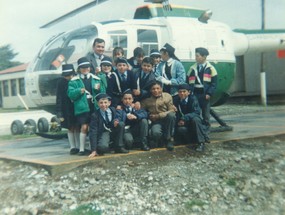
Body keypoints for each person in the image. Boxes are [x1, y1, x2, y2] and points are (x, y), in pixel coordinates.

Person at [68, 57, 106, 155]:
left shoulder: (96, 78)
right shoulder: (74, 81)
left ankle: (92, 147)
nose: (85, 69)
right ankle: (81, 149)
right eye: (83, 67)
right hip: (82, 107)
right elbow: (70, 94)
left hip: (94, 106)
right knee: (84, 127)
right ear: (79, 69)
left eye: (87, 67)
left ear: (90, 68)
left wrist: (98, 89)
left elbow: (103, 92)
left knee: (93, 127)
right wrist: (78, 91)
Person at [187, 47, 217, 139]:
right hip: (195, 93)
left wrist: (209, 94)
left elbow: (214, 83)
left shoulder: (211, 69)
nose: (196, 58)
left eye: (197, 56)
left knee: (206, 115)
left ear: (204, 57)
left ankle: (206, 134)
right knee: (195, 113)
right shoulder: (192, 68)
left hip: (205, 94)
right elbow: (187, 80)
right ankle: (196, 133)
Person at [141, 81, 176, 151]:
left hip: (167, 119)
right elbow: (142, 111)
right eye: (153, 89)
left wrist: (159, 115)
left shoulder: (167, 96)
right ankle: (160, 140)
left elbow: (172, 110)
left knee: (171, 115)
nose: (156, 90)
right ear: (150, 90)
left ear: (161, 89)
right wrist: (149, 115)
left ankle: (169, 140)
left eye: (158, 88)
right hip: (156, 122)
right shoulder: (146, 100)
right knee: (155, 133)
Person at [173, 84, 208, 152]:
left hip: (191, 122)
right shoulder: (175, 100)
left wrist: (184, 118)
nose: (182, 93)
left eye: (184, 91)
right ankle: (180, 140)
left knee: (196, 119)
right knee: (181, 129)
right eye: (180, 92)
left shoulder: (193, 99)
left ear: (188, 92)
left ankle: (201, 142)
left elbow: (197, 112)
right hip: (182, 123)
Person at [55, 64, 80, 155]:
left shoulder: (77, 80)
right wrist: (59, 112)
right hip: (66, 108)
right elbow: (59, 98)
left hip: (76, 106)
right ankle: (72, 147)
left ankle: (79, 146)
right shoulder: (61, 82)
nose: (69, 77)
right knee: (70, 127)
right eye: (67, 75)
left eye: (71, 75)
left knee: (77, 126)